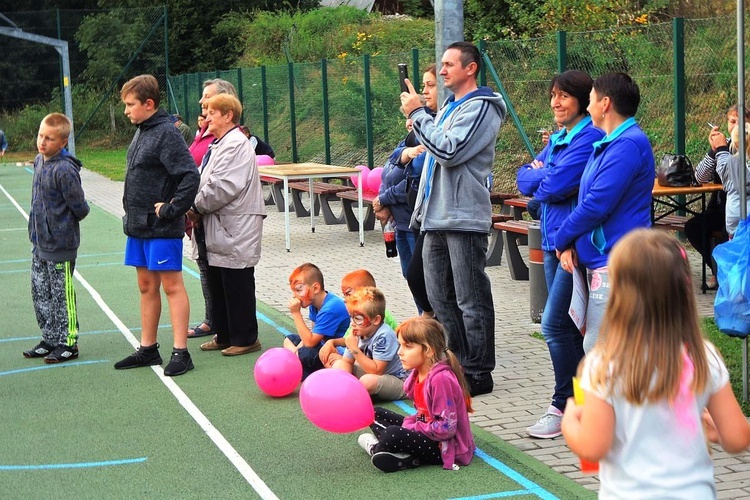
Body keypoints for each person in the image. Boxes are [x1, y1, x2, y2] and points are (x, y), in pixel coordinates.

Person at [561, 229, 750, 497]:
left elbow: (593, 447)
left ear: (619, 297)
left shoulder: (603, 365)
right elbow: (739, 437)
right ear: (683, 294)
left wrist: (570, 422)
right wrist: (717, 431)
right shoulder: (704, 356)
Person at [400, 41, 507, 396]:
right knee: (439, 296)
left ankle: (478, 371)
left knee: (470, 300)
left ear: (470, 68)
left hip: (463, 218)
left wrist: (418, 115)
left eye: (448, 65)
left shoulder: (482, 107)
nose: (442, 71)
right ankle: (455, 365)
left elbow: (449, 151)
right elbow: (432, 157)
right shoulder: (448, 107)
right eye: (441, 65)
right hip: (436, 217)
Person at [516, 70, 604, 439]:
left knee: (554, 325)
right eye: (553, 95)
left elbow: (555, 184)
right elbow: (524, 181)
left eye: (564, 96)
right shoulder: (559, 139)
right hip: (553, 244)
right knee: (567, 329)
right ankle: (584, 406)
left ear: (583, 101)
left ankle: (563, 404)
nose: (555, 102)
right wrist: (541, 175)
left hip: (574, 248)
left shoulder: (588, 138)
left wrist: (542, 175)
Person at [555, 72, 655, 354]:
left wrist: (563, 238)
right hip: (601, 260)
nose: (588, 108)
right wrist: (573, 242)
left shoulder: (628, 145)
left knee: (601, 351)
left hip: (617, 261)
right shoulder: (611, 143)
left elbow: (597, 203)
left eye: (590, 100)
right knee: (602, 348)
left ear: (605, 103)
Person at [114, 74, 200, 377]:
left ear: (149, 104)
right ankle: (148, 349)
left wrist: (174, 209)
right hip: (138, 226)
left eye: (130, 104)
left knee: (172, 286)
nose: (126, 110)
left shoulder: (166, 133)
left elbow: (189, 175)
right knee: (146, 286)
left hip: (161, 227)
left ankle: (181, 352)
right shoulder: (142, 130)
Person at [187, 94, 266, 356]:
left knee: (236, 281)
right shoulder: (218, 144)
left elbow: (222, 185)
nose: (205, 117)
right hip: (218, 225)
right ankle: (224, 334)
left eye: (211, 112)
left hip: (234, 225)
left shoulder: (235, 144)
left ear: (228, 115)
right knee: (218, 279)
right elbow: (204, 180)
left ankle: (245, 338)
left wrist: (195, 208)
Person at [356, 317, 475, 473]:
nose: (399, 352)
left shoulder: (440, 379)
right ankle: (402, 454)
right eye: (400, 345)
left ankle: (377, 449)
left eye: (408, 346)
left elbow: (446, 428)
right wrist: (412, 423)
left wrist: (413, 426)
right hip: (427, 432)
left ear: (428, 350)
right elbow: (424, 416)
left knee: (392, 434)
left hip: (445, 446)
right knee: (373, 413)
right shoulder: (417, 375)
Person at [23, 113, 90, 363]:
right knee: (40, 291)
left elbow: (80, 207)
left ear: (63, 142)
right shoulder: (39, 162)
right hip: (39, 242)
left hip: (60, 244)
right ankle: (49, 337)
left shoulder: (64, 169)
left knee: (62, 294)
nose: (42, 142)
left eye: (49, 138)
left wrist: (59, 226)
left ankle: (68, 342)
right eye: (41, 136)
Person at [373, 64, 438, 316]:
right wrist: (403, 155)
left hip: (416, 220)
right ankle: (425, 320)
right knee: (410, 276)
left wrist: (383, 198)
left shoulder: (431, 130)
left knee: (422, 279)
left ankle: (431, 327)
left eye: (429, 85)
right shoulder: (410, 137)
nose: (408, 122)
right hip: (400, 223)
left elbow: (417, 177)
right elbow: (391, 164)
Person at [186, 79, 239, 339]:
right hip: (202, 213)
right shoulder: (205, 132)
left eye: (207, 98)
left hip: (216, 217)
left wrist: (194, 207)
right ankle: (216, 322)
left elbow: (222, 183)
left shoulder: (230, 139)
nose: (201, 103)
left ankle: (221, 325)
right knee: (206, 269)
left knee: (220, 273)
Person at [685, 105, 750, 288]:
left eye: (742, 122)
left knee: (725, 231)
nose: (736, 126)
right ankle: (716, 269)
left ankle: (730, 276)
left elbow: (731, 178)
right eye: (732, 121)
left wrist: (721, 149)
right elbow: (699, 177)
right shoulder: (724, 145)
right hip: (720, 207)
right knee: (693, 227)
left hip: (740, 212)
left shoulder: (746, 149)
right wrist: (713, 150)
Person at [331, 287, 407, 401]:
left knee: (367, 381)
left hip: (399, 380)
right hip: (376, 374)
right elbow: (347, 361)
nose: (352, 323)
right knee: (338, 365)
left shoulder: (384, 335)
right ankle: (348, 393)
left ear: (376, 320)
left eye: (358, 319)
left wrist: (354, 348)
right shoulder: (358, 331)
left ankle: (357, 394)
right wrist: (343, 384)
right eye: (351, 317)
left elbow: (376, 370)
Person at [318, 269, 399, 368]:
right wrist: (332, 343)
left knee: (367, 380)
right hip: (361, 359)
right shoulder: (358, 322)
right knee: (333, 362)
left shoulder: (381, 325)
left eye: (348, 294)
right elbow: (348, 343)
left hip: (381, 371)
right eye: (344, 295)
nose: (345, 299)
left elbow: (376, 369)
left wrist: (352, 349)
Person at [282, 263, 350, 379]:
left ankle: (302, 368)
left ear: (316, 288)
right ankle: (298, 362)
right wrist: (297, 351)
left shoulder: (330, 308)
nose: (295, 296)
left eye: (299, 290)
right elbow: (313, 334)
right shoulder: (314, 303)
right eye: (294, 291)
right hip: (322, 344)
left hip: (338, 351)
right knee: (290, 339)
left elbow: (310, 342)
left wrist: (296, 313)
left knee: (307, 354)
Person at [713, 119, 750, 238]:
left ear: (736, 143)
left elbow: (722, 167)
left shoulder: (732, 161)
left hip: (736, 223)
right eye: (732, 121)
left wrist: (720, 148)